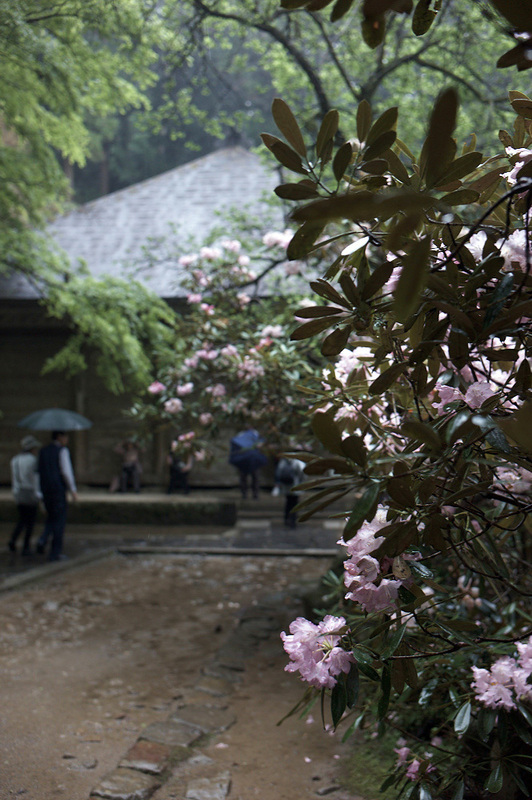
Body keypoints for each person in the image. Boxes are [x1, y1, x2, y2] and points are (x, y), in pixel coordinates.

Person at [36, 431, 78, 561]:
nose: (67, 439)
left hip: (45, 490)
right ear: (59, 437)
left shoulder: (43, 451)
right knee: (59, 520)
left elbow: (38, 472)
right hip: (58, 489)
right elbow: (66, 472)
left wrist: (39, 492)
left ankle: (43, 539)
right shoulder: (62, 451)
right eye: (65, 436)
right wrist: (73, 490)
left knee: (51, 517)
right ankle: (55, 552)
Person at [9, 435, 41, 555]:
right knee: (30, 521)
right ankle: (26, 546)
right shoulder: (32, 460)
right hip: (29, 492)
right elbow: (34, 478)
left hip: (18, 492)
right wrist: (38, 494)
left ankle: (13, 539)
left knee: (22, 519)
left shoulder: (15, 460)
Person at [229, 427, 268, 499]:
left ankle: (252, 493)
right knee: (248, 478)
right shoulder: (243, 435)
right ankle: (247, 493)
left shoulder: (254, 435)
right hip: (245, 461)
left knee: (253, 477)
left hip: (250, 460)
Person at [274, 457, 306, 528]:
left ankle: (286, 518)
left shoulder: (282, 462)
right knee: (294, 504)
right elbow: (302, 473)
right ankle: (293, 521)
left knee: (288, 503)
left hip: (286, 487)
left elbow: (278, 473)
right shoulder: (297, 462)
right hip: (295, 486)